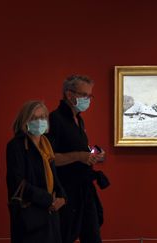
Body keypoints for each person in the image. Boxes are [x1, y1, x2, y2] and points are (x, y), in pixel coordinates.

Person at [46, 75, 109, 243]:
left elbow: (79, 150)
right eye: (84, 95)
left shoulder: (79, 120)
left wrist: (93, 154)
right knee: (65, 236)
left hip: (84, 188)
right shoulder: (55, 119)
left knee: (93, 236)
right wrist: (79, 156)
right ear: (69, 94)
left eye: (90, 96)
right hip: (66, 190)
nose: (88, 99)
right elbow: (49, 158)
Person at [6, 100, 67, 243]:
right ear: (25, 120)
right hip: (30, 218)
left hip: (51, 216)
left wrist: (62, 196)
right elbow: (17, 182)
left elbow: (54, 177)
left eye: (42, 117)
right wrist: (48, 200)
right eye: (34, 118)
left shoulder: (46, 144)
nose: (39, 121)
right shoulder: (16, 145)